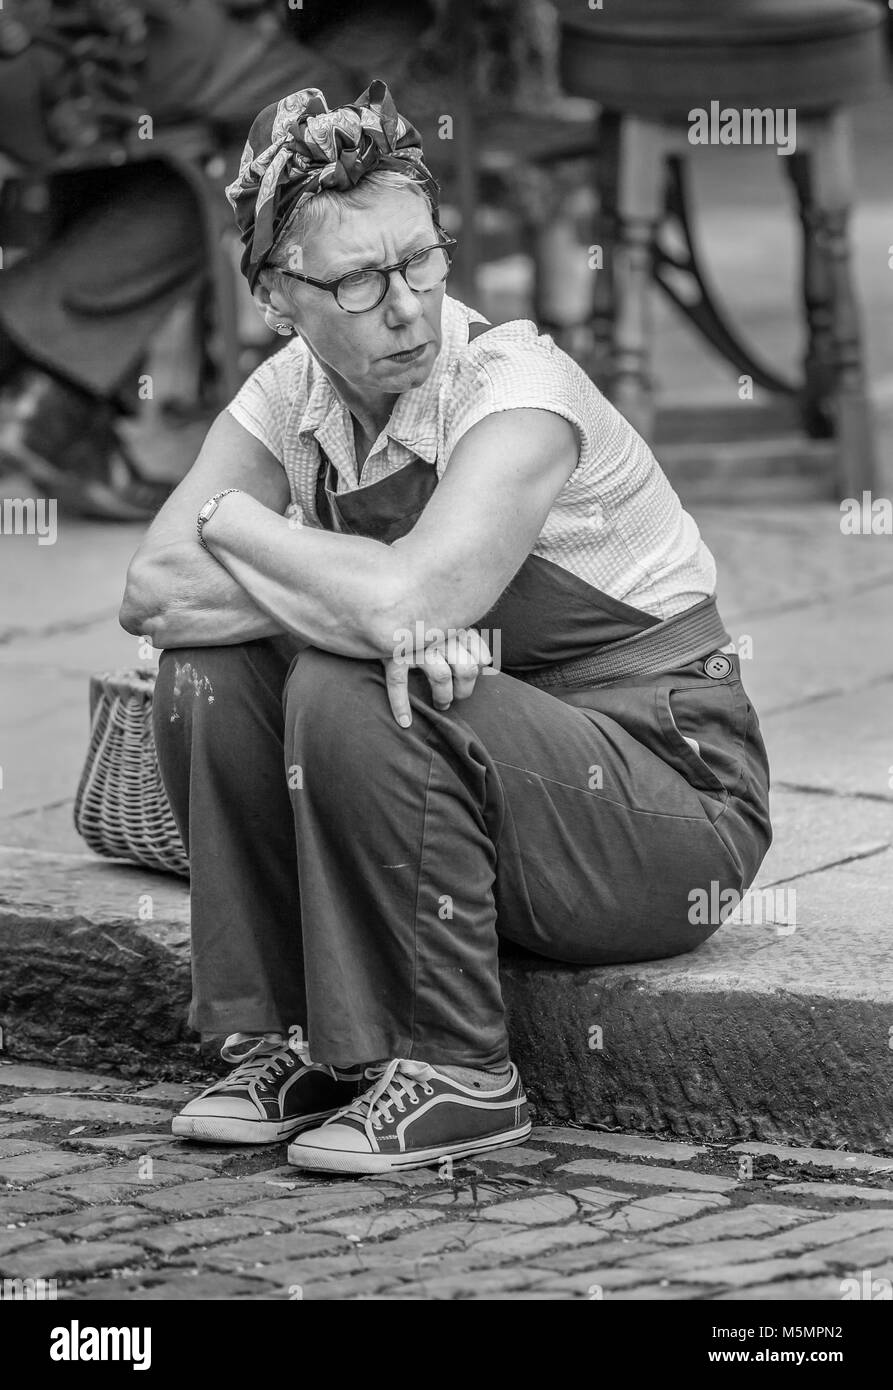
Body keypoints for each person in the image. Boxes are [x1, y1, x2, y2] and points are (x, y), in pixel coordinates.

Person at [119, 79, 772, 1175]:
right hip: (496, 779)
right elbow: (153, 592)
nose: (407, 304)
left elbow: (403, 605)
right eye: (362, 279)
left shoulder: (514, 386)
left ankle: (460, 1071)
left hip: (663, 796)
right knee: (206, 669)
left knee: (355, 676)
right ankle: (300, 1041)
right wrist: (370, 604)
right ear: (281, 296)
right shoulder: (289, 395)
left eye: (421, 260)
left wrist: (238, 524)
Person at [0, 0, 433, 519]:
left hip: (63, 46)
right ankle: (50, 379)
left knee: (220, 161)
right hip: (55, 45)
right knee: (326, 121)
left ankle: (53, 382)